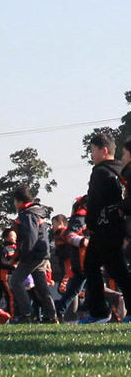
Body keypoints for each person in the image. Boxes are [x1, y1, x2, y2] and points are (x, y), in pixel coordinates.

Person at [80, 134, 131, 324]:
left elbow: (94, 201)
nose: (92, 155)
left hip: (103, 228)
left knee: (109, 268)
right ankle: (99, 310)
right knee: (101, 266)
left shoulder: (100, 172)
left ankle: (99, 312)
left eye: (93, 150)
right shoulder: (121, 169)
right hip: (118, 226)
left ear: (104, 150)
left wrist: (91, 224)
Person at [8, 186, 57, 323]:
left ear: (20, 201)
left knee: (16, 281)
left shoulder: (27, 214)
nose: (14, 204)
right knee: (41, 286)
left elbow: (30, 237)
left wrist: (23, 256)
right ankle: (51, 315)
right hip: (42, 254)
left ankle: (28, 313)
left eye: (15, 201)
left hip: (33, 254)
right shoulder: (37, 212)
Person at [54, 197, 87, 321]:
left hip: (81, 258)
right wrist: (83, 241)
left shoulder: (80, 216)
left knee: (75, 288)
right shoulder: (81, 216)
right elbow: (70, 234)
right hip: (83, 258)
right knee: (79, 287)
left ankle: (59, 311)